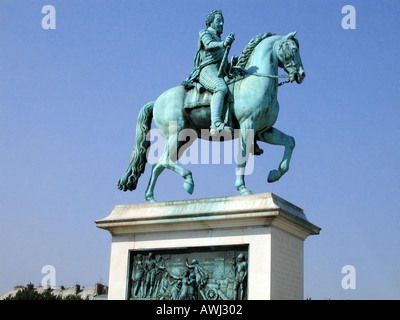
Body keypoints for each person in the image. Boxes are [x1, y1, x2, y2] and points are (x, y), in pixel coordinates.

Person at [182, 10, 235, 136]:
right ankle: (215, 124)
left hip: (220, 72)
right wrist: (223, 44)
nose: (222, 24)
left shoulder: (220, 40)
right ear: (210, 23)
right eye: (218, 21)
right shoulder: (204, 33)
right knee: (220, 87)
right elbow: (208, 45)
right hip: (206, 70)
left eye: (223, 21)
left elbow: (224, 63)